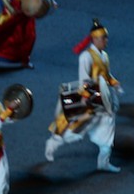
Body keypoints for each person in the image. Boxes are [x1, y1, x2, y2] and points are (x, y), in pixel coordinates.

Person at [44, 19, 122, 173]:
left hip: (104, 99)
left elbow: (106, 74)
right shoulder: (85, 57)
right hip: (90, 99)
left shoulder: (104, 55)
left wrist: (114, 83)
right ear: (95, 39)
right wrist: (88, 99)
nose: (106, 40)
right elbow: (83, 80)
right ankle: (53, 144)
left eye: (106, 37)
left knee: (107, 132)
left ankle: (103, 162)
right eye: (103, 38)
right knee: (75, 131)